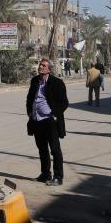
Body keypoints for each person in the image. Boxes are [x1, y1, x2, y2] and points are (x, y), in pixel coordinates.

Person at [26, 58, 69, 186]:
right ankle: (45, 174)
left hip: (50, 121)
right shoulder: (35, 81)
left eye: (44, 66)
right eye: (40, 65)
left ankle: (58, 177)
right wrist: (29, 113)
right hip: (37, 119)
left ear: (49, 69)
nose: (40, 67)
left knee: (55, 150)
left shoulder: (57, 83)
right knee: (42, 149)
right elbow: (29, 99)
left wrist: (54, 114)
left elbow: (64, 103)